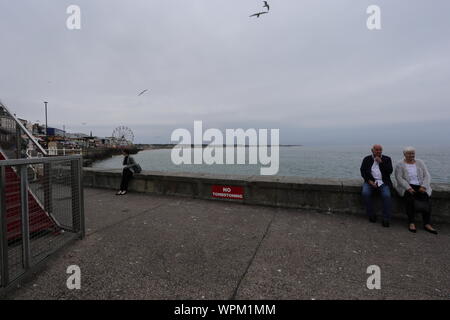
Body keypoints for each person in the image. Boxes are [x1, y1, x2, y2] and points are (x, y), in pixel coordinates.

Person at [394, 147, 437, 234]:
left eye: (413, 153)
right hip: (407, 186)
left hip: (420, 185)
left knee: (427, 201)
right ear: (404, 154)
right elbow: (399, 178)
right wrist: (408, 188)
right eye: (409, 153)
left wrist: (424, 186)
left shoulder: (420, 162)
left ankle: (427, 223)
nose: (411, 155)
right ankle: (411, 222)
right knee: (409, 201)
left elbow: (427, 175)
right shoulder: (400, 164)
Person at [360, 144, 393, 227]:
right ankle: (371, 214)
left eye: (380, 150)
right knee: (365, 193)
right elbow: (363, 172)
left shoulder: (387, 159)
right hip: (370, 181)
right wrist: (369, 181)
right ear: (372, 150)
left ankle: (386, 218)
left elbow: (389, 171)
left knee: (387, 196)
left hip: (383, 182)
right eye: (376, 150)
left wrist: (381, 163)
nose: (378, 151)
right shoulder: (367, 159)